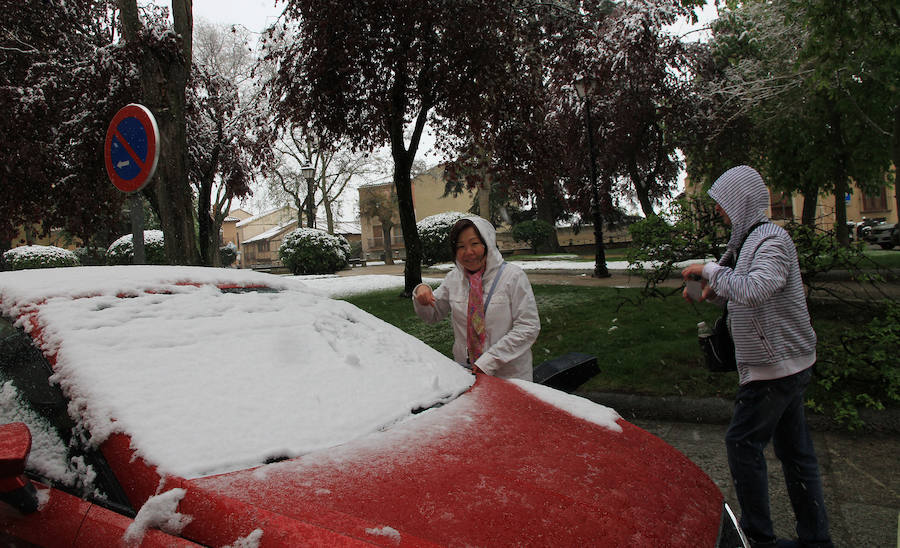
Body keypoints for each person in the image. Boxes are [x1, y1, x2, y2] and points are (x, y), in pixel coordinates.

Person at [681, 165, 832, 548]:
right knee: (796, 453)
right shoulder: (746, 243)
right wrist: (710, 291)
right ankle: (816, 539)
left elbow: (756, 288)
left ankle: (759, 538)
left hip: (775, 368)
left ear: (742, 202)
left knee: (742, 444)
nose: (719, 211)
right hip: (781, 363)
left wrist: (712, 271)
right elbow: (741, 289)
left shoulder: (771, 240)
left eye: (724, 204)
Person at [412, 216, 540, 381]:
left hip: (509, 376)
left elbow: (528, 327)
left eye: (474, 244)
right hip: (467, 374)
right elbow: (432, 315)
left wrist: (489, 361)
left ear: (487, 244)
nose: (468, 252)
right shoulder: (454, 279)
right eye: (461, 247)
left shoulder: (513, 277)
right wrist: (421, 294)